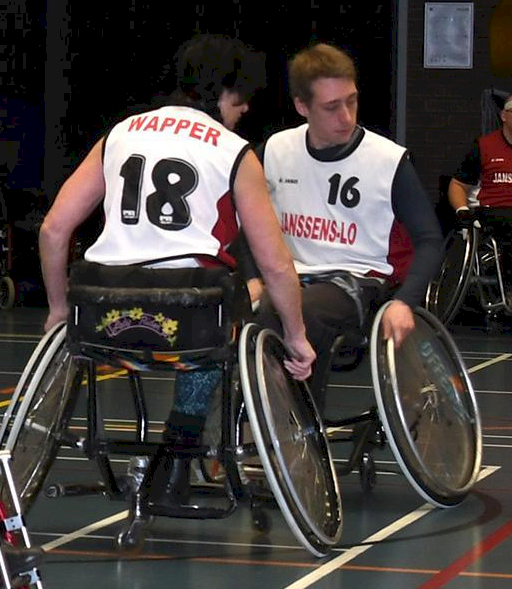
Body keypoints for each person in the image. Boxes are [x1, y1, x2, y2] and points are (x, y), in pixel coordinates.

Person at [39, 36, 316, 501]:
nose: (245, 108)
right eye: (241, 96)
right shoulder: (233, 151)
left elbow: (53, 230)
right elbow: (275, 265)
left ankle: (149, 458)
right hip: (186, 316)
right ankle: (178, 453)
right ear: (223, 89)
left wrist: (58, 310)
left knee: (205, 307)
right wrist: (296, 335)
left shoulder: (121, 133)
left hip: (102, 313)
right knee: (222, 314)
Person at [253, 42, 443, 402]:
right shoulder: (277, 149)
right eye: (331, 107)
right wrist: (250, 277)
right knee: (239, 307)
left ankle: (299, 419)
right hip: (292, 277)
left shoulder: (387, 160)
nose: (346, 117)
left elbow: (430, 240)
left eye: (351, 102)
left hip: (358, 284)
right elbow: (245, 220)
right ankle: (242, 417)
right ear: (302, 106)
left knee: (298, 311)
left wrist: (405, 301)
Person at [448, 93, 512, 216]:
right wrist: (462, 211)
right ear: (503, 115)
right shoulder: (484, 146)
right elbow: (458, 184)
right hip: (492, 217)